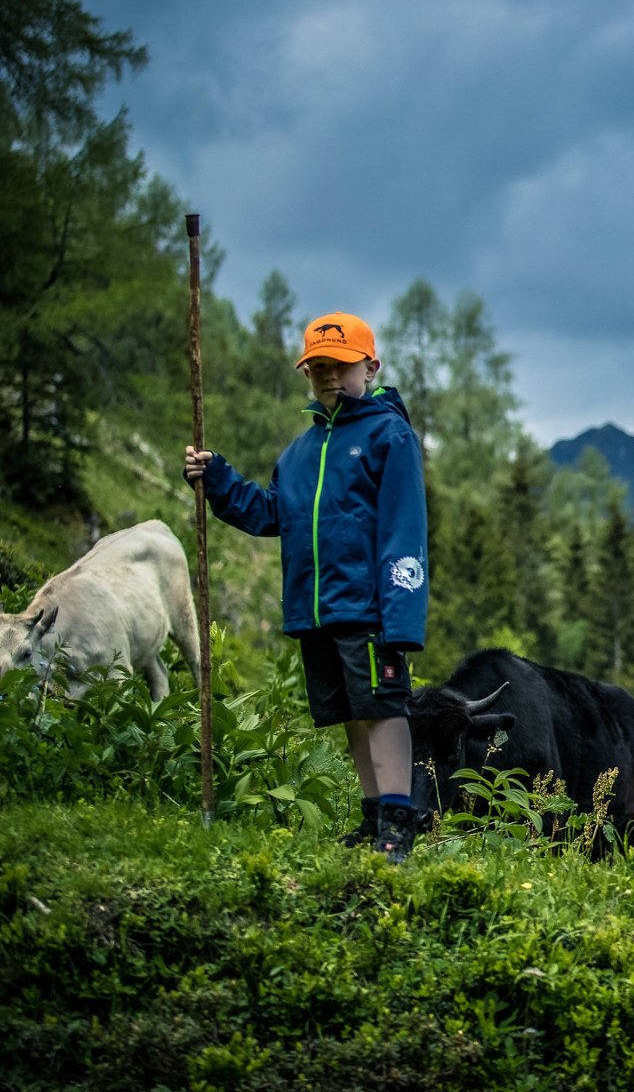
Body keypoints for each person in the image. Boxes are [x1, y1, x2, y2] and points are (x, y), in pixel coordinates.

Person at [183, 311, 428, 861]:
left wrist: (402, 616)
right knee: (351, 712)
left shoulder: (391, 436)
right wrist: (217, 478)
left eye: (340, 366)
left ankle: (398, 822)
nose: (329, 377)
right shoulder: (298, 455)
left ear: (371, 366)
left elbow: (403, 529)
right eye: (318, 368)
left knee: (383, 707)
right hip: (318, 610)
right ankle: (373, 817)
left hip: (370, 607)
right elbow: (271, 514)